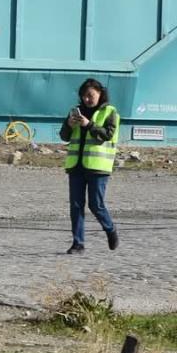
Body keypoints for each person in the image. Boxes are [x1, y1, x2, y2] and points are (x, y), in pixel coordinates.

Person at [61, 78, 120, 254]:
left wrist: (89, 124)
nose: (87, 99)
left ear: (100, 94)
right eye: (84, 96)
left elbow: (108, 134)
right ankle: (78, 243)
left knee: (96, 205)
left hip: (97, 166)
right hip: (76, 166)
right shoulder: (75, 111)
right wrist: (69, 125)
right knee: (76, 205)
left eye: (90, 95)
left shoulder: (110, 112)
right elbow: (64, 136)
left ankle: (110, 229)